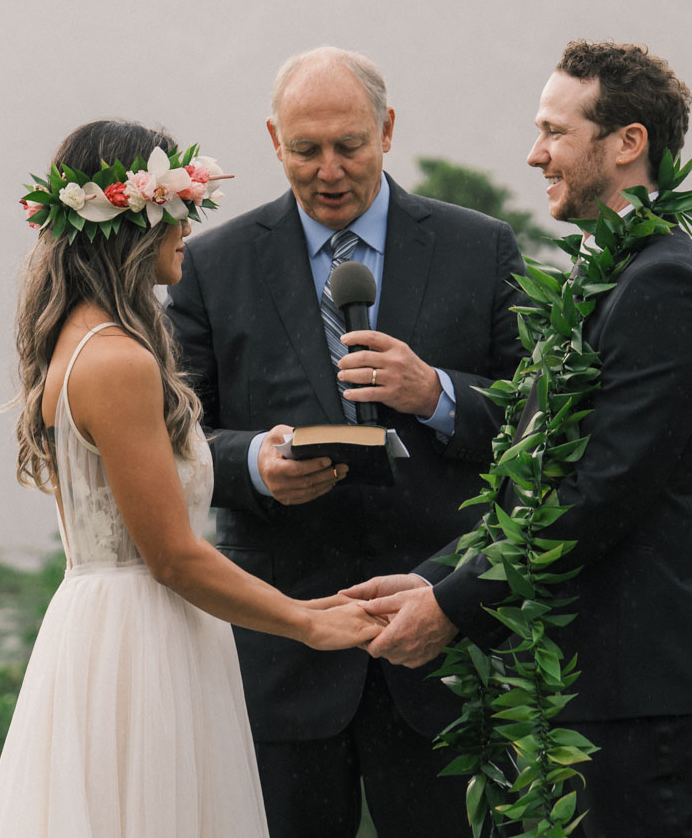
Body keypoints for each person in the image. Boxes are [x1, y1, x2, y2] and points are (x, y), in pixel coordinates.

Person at [346, 41, 692, 838]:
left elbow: (600, 492)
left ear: (627, 143)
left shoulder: (664, 283)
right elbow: (531, 482)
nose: (534, 153)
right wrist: (426, 580)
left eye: (554, 132)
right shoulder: (605, 279)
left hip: (648, 694)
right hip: (586, 688)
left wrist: (453, 607)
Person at [0, 119, 384, 838]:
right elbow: (173, 556)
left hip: (119, 629)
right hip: (138, 642)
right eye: (179, 211)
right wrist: (308, 622)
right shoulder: (118, 362)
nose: (188, 231)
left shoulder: (85, 341)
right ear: (135, 221)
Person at [165, 48, 527, 838]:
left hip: (441, 645)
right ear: (273, 141)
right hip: (283, 650)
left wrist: (437, 394)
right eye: (306, 150)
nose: (329, 170)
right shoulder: (212, 266)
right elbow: (171, 434)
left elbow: (541, 426)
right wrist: (254, 462)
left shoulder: (482, 248)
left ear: (388, 131)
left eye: (350, 146)